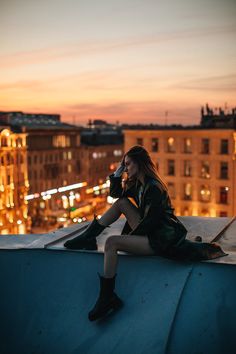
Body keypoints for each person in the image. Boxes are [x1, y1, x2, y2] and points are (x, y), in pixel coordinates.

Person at [64, 145, 226, 321]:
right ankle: (89, 237)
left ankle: (107, 297)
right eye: (124, 165)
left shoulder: (153, 187)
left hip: (159, 240)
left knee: (111, 243)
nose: (126, 169)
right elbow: (116, 194)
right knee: (122, 203)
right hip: (152, 232)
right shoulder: (140, 184)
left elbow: (151, 222)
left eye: (128, 165)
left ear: (140, 164)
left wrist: (128, 238)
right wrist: (117, 173)